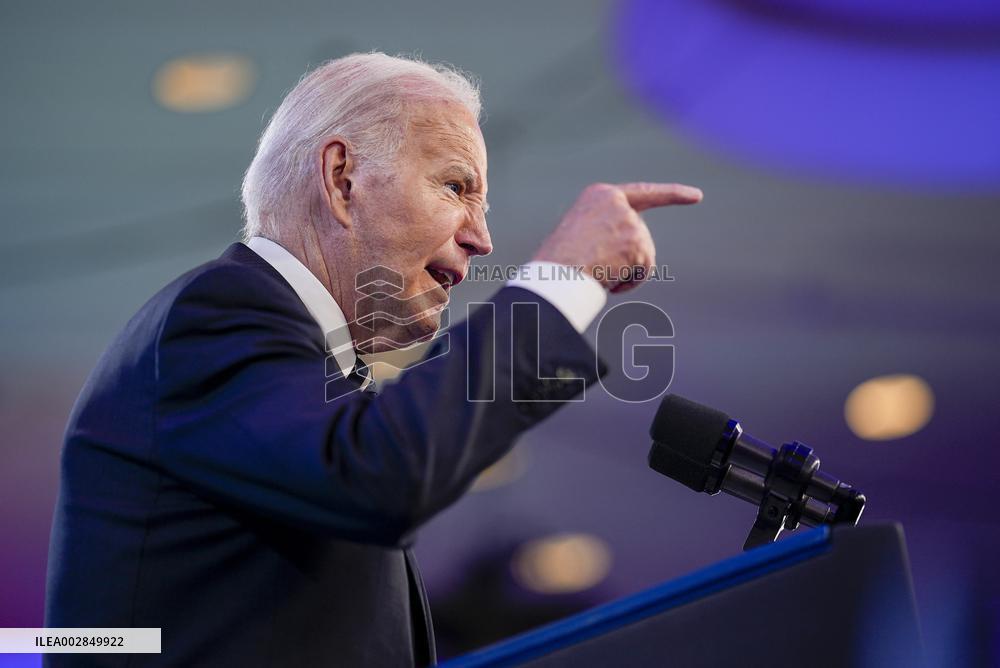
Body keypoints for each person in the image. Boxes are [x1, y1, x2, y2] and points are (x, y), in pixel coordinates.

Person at [44, 52, 702, 666]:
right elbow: (378, 473)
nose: (481, 236)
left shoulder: (297, 364)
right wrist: (563, 281)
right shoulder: (214, 315)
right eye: (456, 187)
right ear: (342, 179)